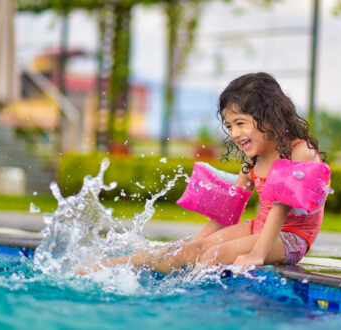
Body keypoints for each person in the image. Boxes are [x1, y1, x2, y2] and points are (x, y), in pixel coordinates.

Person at [85, 72, 328, 274]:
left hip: (290, 238)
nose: (233, 134)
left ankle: (109, 268)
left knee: (208, 255)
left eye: (241, 123)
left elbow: (279, 209)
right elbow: (227, 213)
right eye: (229, 126)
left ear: (269, 116)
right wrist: (190, 247)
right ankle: (112, 267)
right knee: (191, 251)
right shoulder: (254, 159)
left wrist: (257, 254)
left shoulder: (299, 152)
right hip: (258, 228)